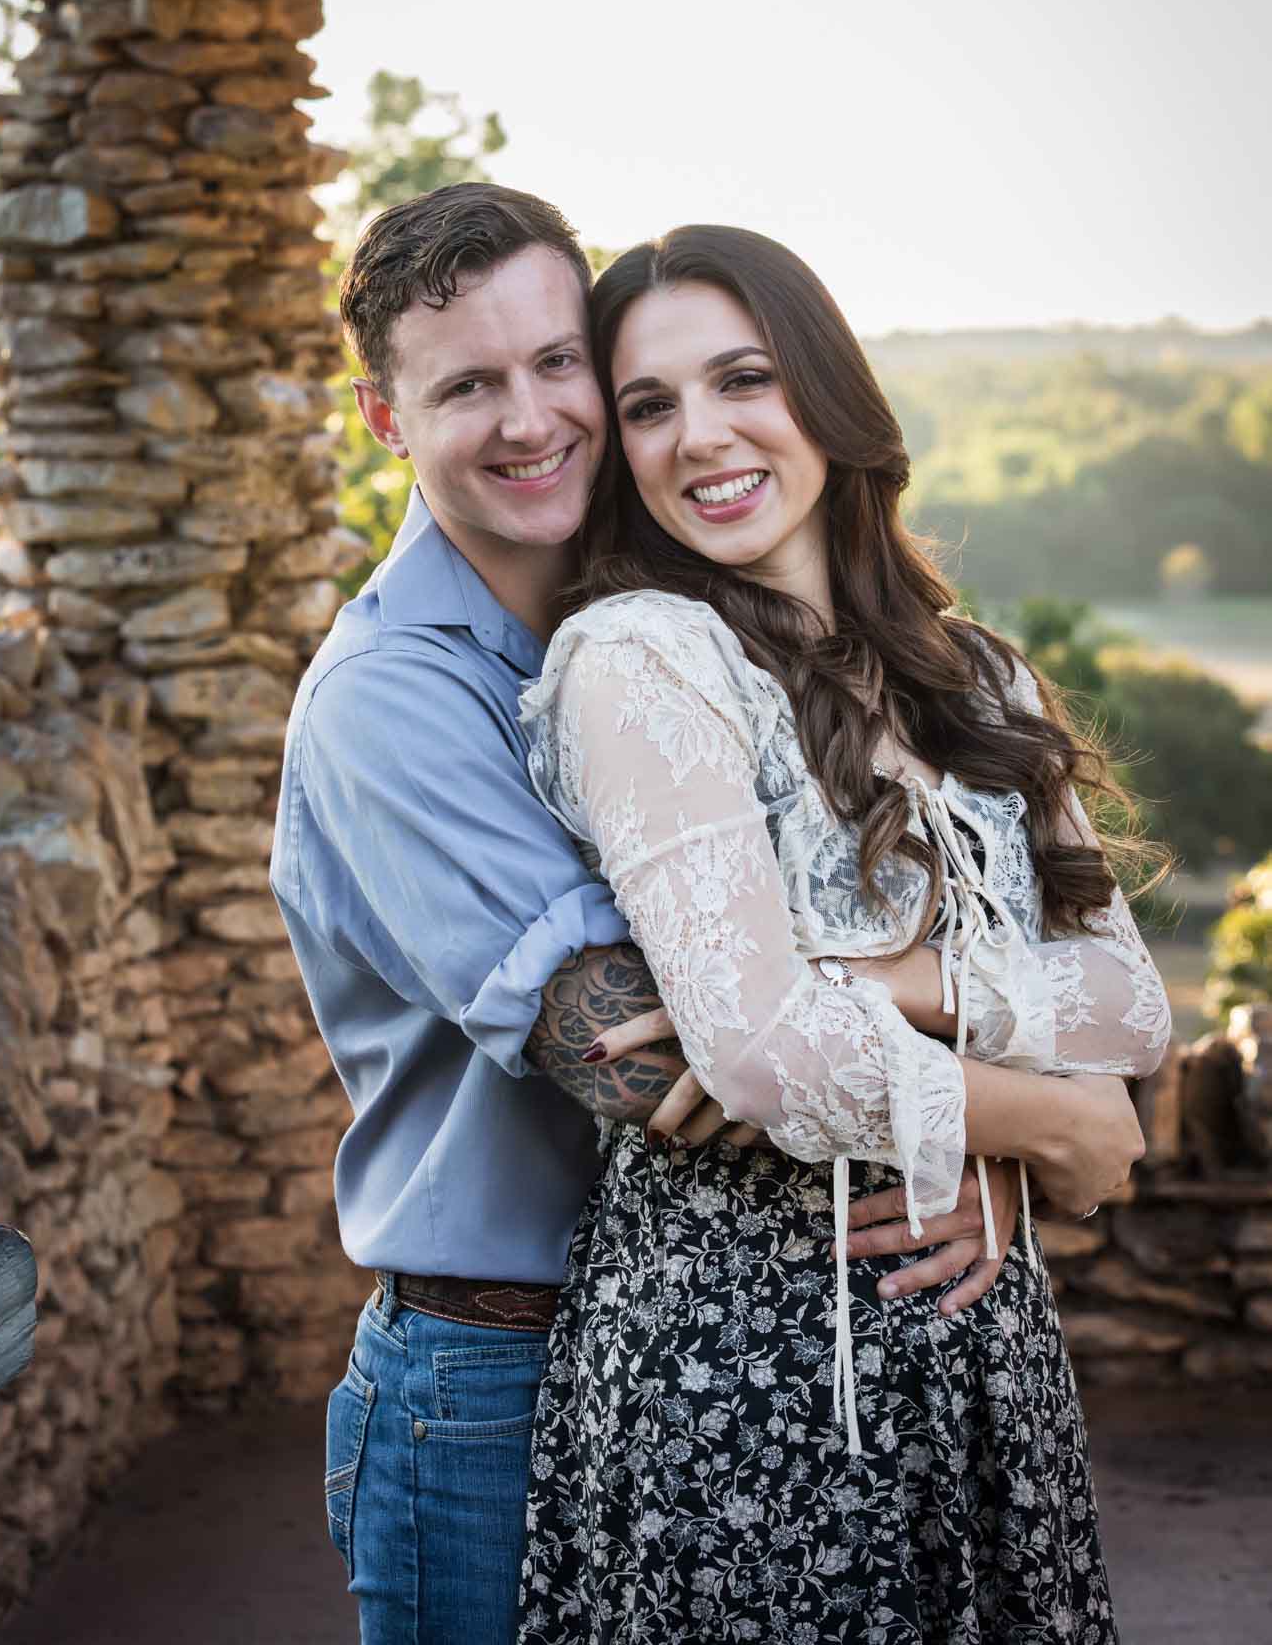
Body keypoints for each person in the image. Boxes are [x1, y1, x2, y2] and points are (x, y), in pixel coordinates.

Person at [271, 186, 1144, 1645]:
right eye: (467, 386)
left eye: (559, 365)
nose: (531, 417)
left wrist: (940, 1095)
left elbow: (889, 1007)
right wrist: (1034, 1124)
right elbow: (660, 1060)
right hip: (496, 1362)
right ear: (381, 417)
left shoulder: (712, 629)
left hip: (794, 1308)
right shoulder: (396, 701)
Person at [514, 225, 1172, 1644]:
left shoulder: (976, 671)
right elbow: (757, 1060)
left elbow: (1127, 1004)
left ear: (824, 393)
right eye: (648, 406)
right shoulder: (644, 657)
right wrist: (1052, 1133)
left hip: (982, 1336)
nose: (701, 437)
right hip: (743, 1360)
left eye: (741, 378)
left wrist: (891, 981)